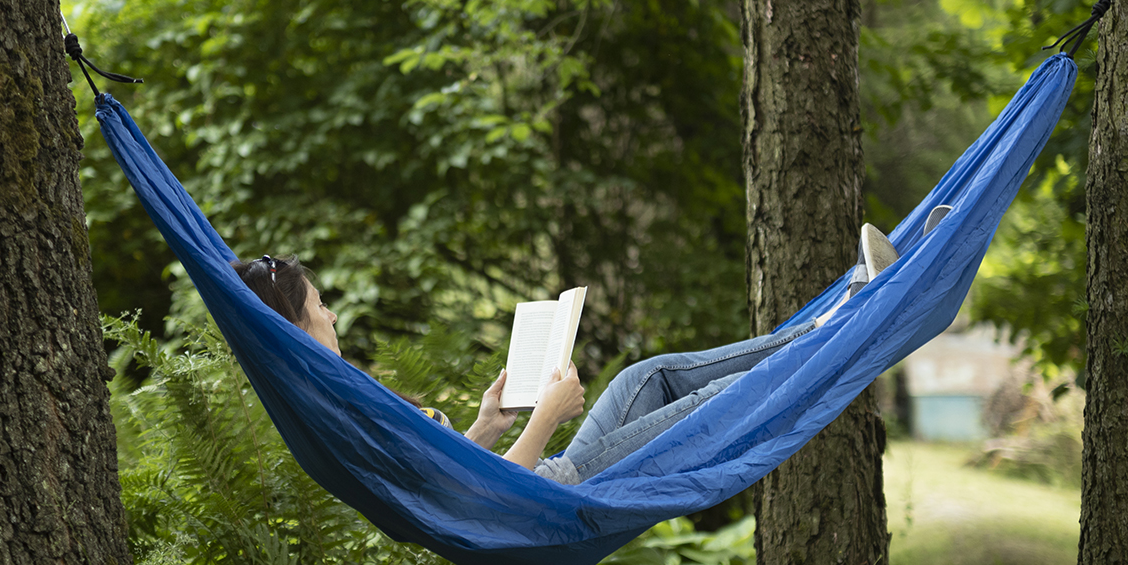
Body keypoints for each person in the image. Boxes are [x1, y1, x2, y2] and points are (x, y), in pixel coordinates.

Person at [232, 209, 947, 485]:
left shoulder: (341, 395)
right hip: (542, 495)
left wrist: (488, 423)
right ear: (297, 325)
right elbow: (475, 500)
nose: (330, 311)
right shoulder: (341, 411)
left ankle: (845, 309)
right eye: (318, 304)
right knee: (707, 407)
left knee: (651, 374)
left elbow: (448, 471)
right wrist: (545, 418)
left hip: (536, 469)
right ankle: (857, 310)